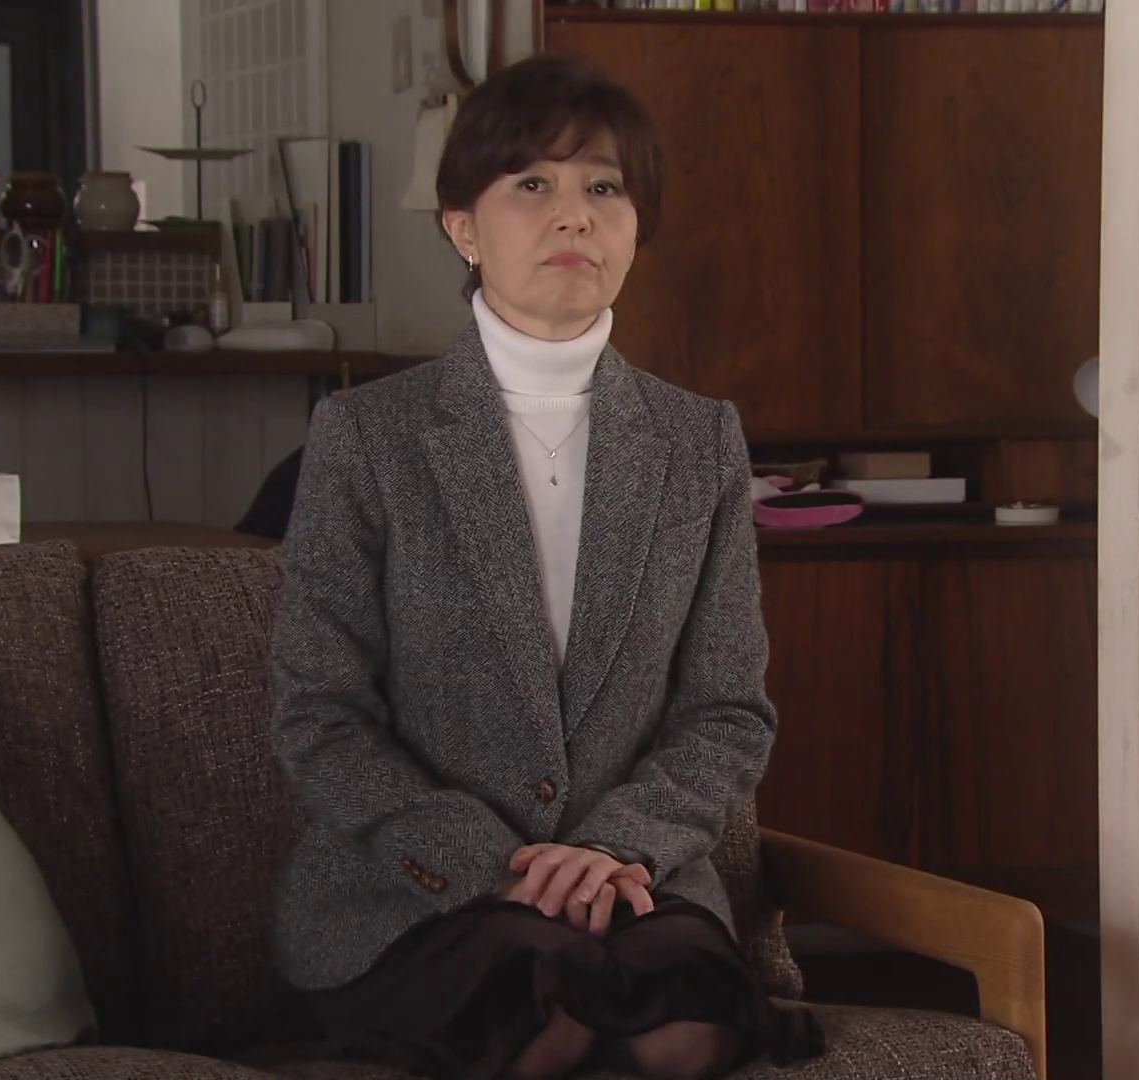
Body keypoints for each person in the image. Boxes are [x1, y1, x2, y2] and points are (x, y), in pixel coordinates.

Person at [267, 54, 823, 1080]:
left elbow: (727, 713)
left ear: (636, 226)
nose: (575, 215)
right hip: (417, 896)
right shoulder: (367, 436)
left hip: (635, 885)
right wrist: (497, 866)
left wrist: (615, 848)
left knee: (684, 1029)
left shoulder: (699, 440)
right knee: (540, 1011)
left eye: (604, 187)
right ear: (463, 228)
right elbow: (321, 715)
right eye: (533, 183)